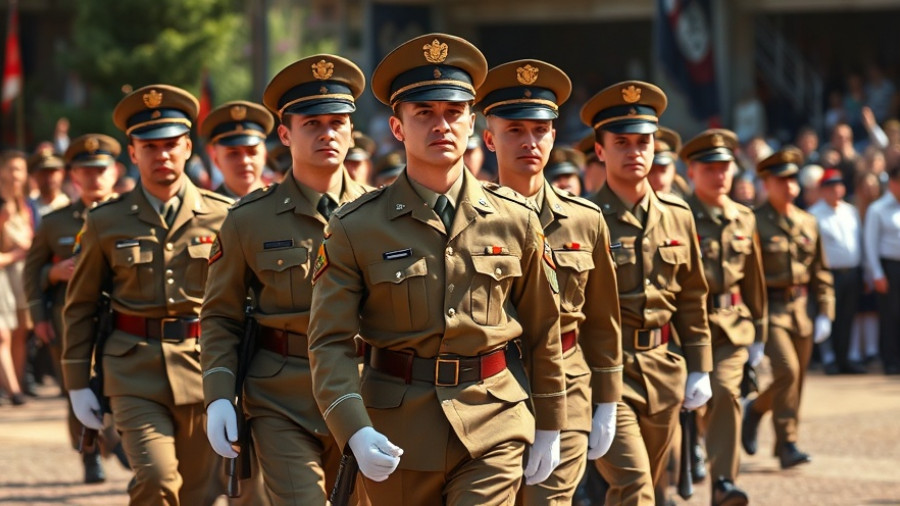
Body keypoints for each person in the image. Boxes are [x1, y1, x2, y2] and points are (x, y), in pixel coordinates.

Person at [307, 33, 566, 505]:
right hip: (396, 433)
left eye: (453, 112)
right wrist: (354, 429)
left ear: (472, 122)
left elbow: (544, 328)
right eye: (424, 113)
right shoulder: (354, 227)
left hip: (494, 423)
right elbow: (330, 342)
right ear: (397, 127)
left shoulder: (517, 219)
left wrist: (550, 422)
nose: (441, 125)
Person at [201, 54, 371, 505]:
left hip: (364, 394)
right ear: (285, 134)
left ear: (351, 130)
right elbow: (220, 315)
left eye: (337, 122)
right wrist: (218, 394)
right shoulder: (248, 220)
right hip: (280, 398)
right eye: (312, 123)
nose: (327, 133)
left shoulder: (382, 215)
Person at [62, 84, 232, 505]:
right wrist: (77, 383)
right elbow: (81, 305)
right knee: (156, 480)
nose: (162, 155)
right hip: (132, 370)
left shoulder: (223, 215)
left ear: (188, 147)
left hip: (203, 368)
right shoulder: (105, 221)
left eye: (171, 144)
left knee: (198, 493)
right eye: (149, 146)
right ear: (132, 153)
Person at [478, 58, 622, 505]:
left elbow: (603, 317)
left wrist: (607, 400)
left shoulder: (585, 219)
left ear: (554, 136)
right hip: (492, 391)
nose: (529, 142)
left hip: (568, 385)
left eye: (540, 130)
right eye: (514, 130)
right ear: (489, 139)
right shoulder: (470, 220)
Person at [583, 81, 714, 505]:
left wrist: (700, 365)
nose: (634, 151)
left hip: (663, 370)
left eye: (643, 142)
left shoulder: (677, 215)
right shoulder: (583, 219)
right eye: (621, 142)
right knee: (635, 483)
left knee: (650, 487)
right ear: (600, 150)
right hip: (607, 373)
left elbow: (691, 296)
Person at [25, 133, 126, 482]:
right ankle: (89, 453)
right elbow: (32, 271)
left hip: (122, 318)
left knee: (123, 382)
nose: (94, 178)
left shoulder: (131, 216)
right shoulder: (56, 222)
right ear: (74, 176)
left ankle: (120, 441)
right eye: (86, 171)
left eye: (100, 170)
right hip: (68, 320)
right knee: (78, 387)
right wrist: (51, 276)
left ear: (115, 171)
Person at [681, 129, 767, 505]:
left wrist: (760, 333)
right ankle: (693, 449)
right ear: (691, 171)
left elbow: (754, 281)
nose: (719, 176)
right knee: (690, 402)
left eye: (725, 167)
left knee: (726, 392)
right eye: (710, 168)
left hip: (732, 325)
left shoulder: (744, 218)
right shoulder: (678, 216)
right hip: (687, 326)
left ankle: (723, 483)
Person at [742, 147, 835, 469]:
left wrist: (825, 312)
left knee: (797, 379)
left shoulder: (808, 221)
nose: (789, 186)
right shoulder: (754, 222)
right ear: (766, 183)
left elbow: (821, 271)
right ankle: (781, 436)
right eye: (781, 180)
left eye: (793, 179)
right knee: (787, 371)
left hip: (801, 309)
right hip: (770, 309)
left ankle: (771, 428)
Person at [808, 168, 865, 374]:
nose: (835, 190)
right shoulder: (814, 214)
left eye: (838, 186)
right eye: (830, 187)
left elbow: (859, 241)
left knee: (847, 317)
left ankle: (844, 358)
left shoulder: (850, 211)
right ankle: (829, 358)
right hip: (828, 274)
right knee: (827, 316)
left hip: (851, 271)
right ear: (822, 190)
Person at [0, 150, 31, 406]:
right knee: (4, 335)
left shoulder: (25, 203)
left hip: (21, 275)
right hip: (4, 272)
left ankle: (16, 386)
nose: (15, 175)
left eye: (19, 169)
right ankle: (11, 389)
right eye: (11, 168)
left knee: (20, 332)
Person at [863, 164, 900, 375]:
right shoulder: (877, 208)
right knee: (890, 315)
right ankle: (891, 360)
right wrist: (877, 273)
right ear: (893, 183)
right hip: (889, 268)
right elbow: (870, 244)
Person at [200, 101, 273, 200]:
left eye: (252, 152)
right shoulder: (206, 208)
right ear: (217, 161)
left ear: (264, 155)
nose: (245, 161)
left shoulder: (284, 201)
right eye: (233, 153)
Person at [27, 147, 70, 219]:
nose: (48, 177)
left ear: (63, 173)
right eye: (43, 172)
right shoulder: (27, 208)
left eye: (52, 172)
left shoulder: (70, 207)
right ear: (34, 175)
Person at [649, 126, 690, 199]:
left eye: (663, 170)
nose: (659, 179)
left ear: (674, 169)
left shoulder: (685, 196)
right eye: (651, 171)